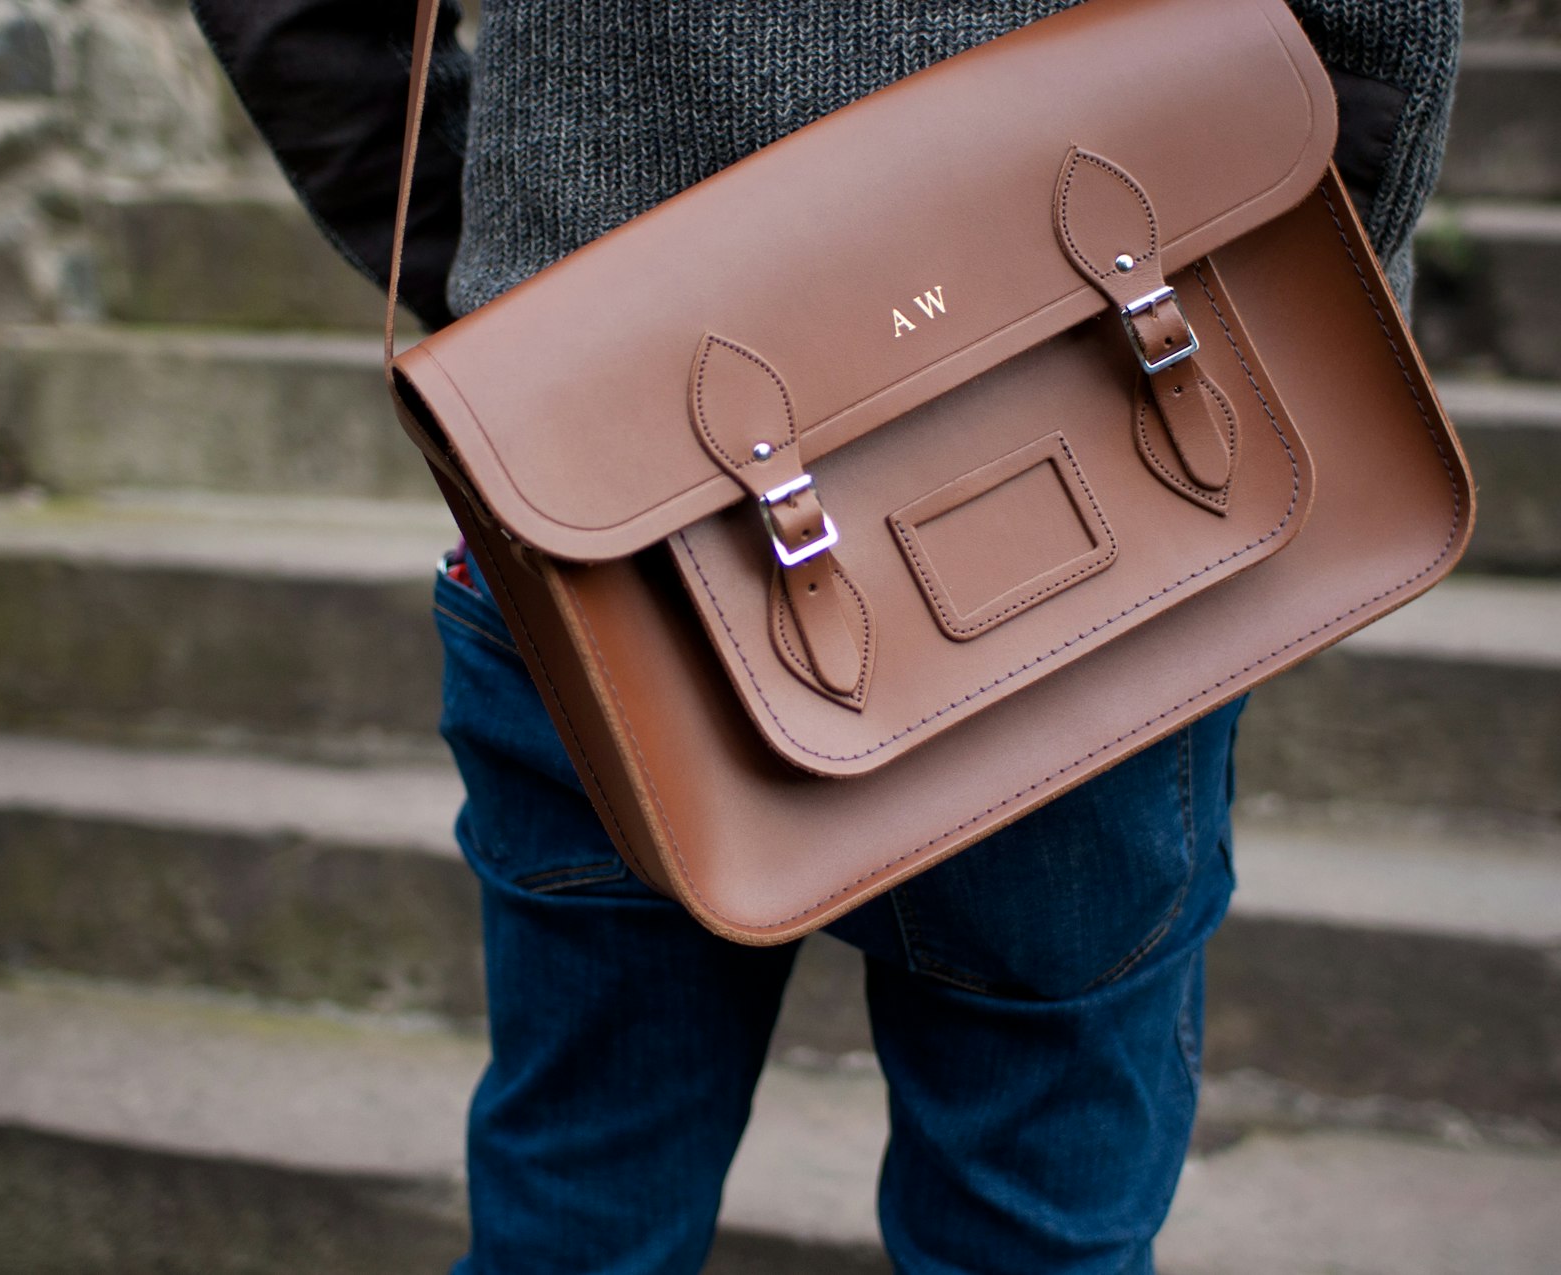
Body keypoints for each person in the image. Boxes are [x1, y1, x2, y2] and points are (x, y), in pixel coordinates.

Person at [191, 3, 1462, 1270]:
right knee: (1029, 1235)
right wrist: (1264, 253)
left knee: (580, 1206)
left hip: (605, 500)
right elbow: (1376, 36)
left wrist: (521, 291)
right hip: (1078, 470)